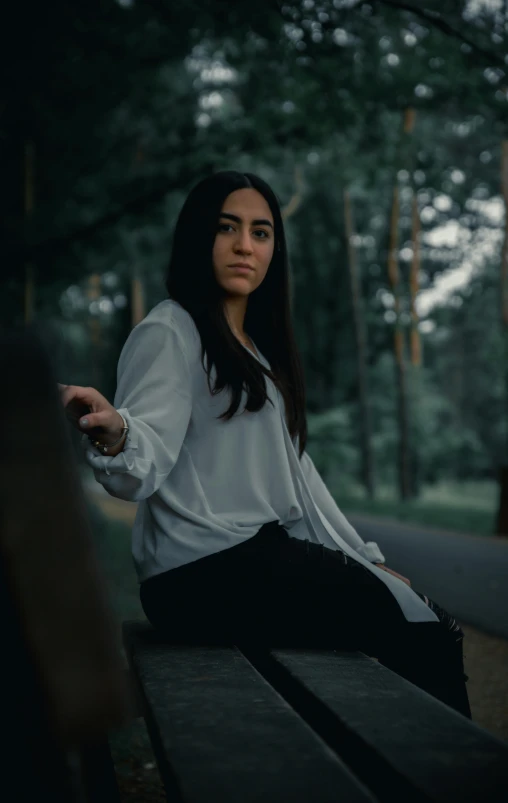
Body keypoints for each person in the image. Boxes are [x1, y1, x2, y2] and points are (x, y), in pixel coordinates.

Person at [60, 170, 472, 720]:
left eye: (261, 232)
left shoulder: (254, 351)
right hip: (205, 572)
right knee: (429, 630)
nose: (244, 246)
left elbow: (299, 481)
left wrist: (363, 561)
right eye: (227, 228)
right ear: (198, 237)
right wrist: (119, 433)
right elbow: (146, 454)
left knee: (414, 624)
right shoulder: (171, 328)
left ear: (275, 248)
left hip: (245, 566)